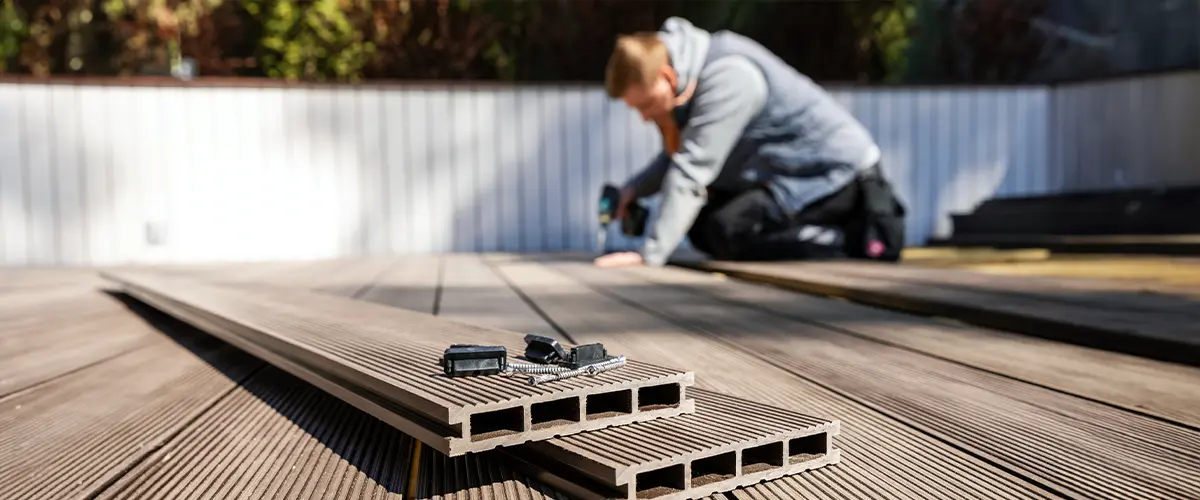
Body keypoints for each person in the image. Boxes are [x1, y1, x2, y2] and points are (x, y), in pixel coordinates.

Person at [593, 17, 906, 268]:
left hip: (833, 175)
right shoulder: (692, 77)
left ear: (667, 77)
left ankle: (849, 239)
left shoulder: (728, 77)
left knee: (725, 229)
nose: (645, 118)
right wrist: (631, 191)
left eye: (645, 105)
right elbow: (676, 159)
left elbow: (692, 169)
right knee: (704, 226)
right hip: (785, 177)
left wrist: (649, 257)